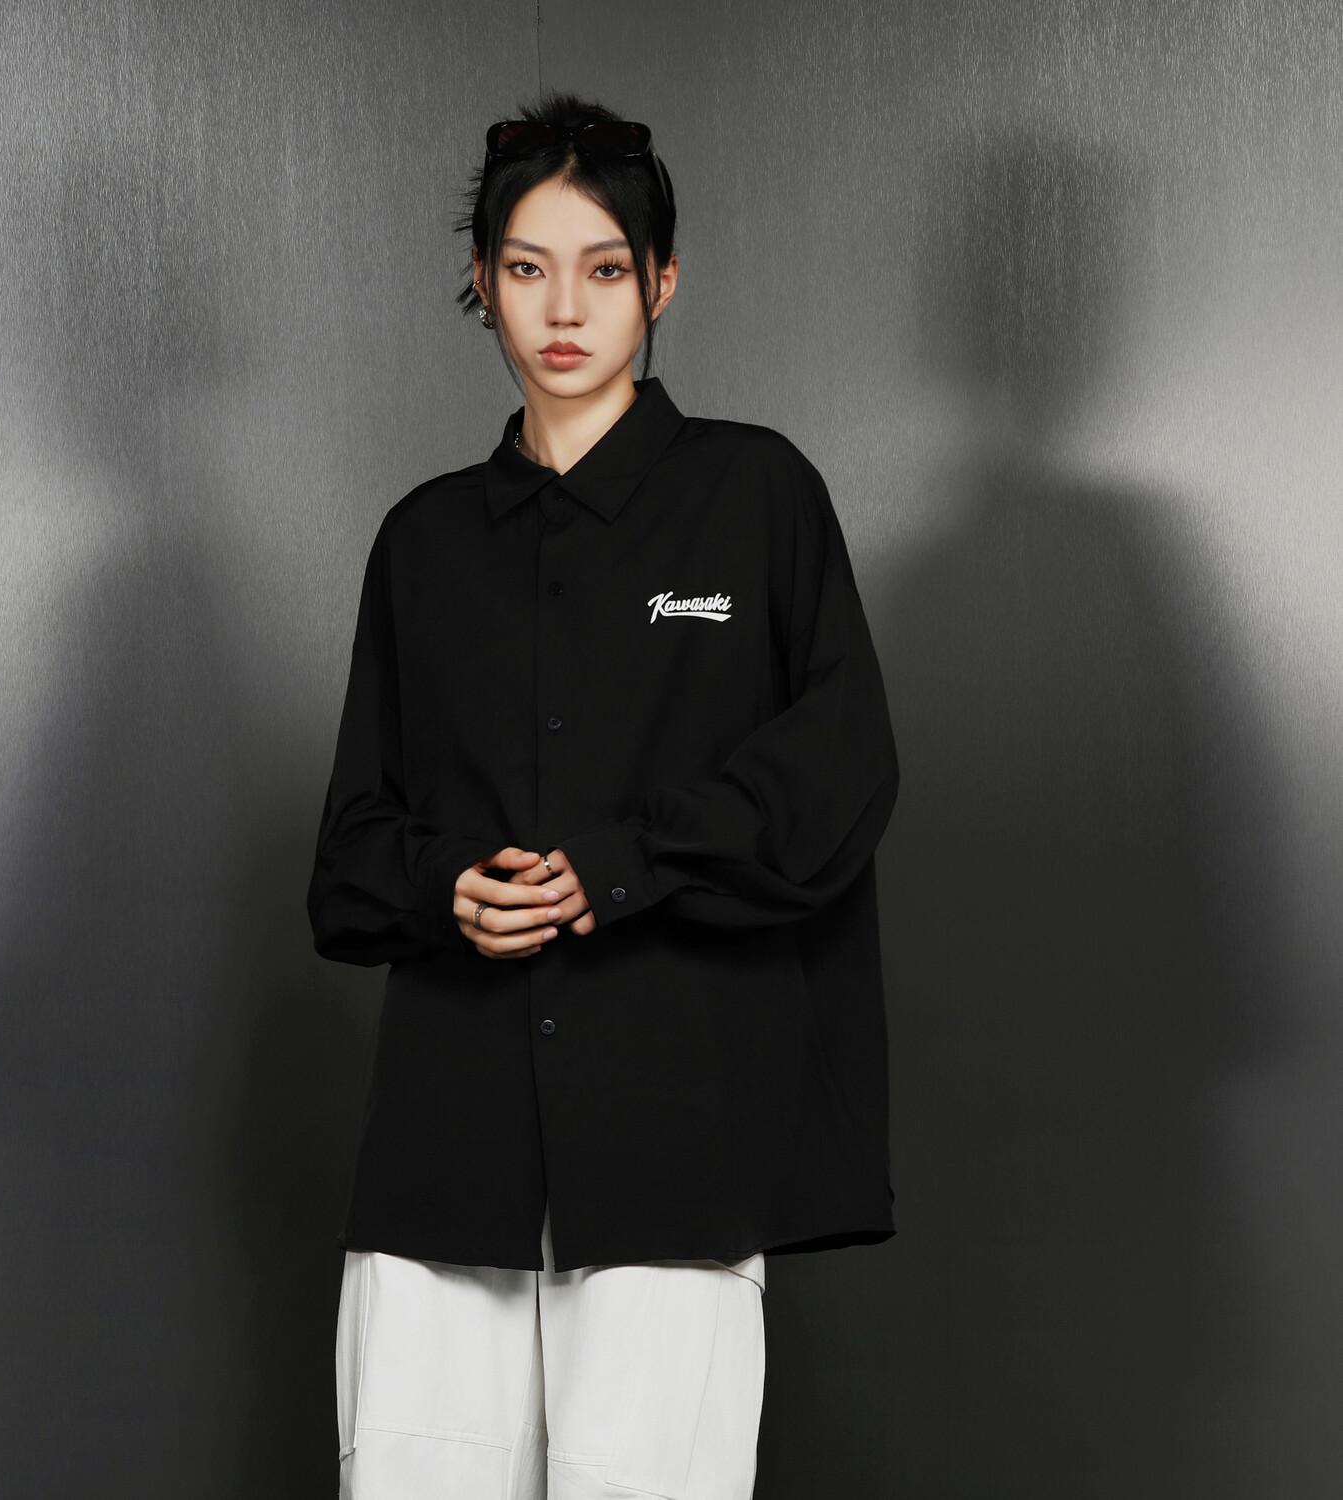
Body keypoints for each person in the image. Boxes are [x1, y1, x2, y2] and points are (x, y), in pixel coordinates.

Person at [307, 89, 900, 1500]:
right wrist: (447, 888)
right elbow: (350, 854)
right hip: (443, 1159)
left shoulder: (759, 497)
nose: (562, 308)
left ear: (661, 283)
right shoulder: (422, 542)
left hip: (677, 1157)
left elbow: (840, 775)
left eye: (604, 268)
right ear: (483, 281)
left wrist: (624, 866)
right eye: (526, 267)